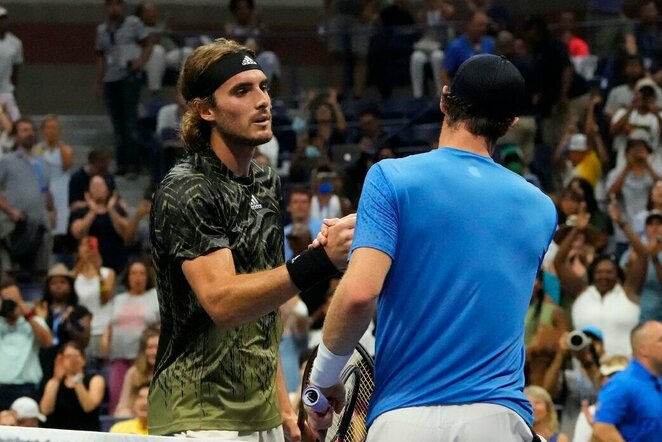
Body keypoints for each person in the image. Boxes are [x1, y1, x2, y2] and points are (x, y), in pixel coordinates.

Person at [307, 54, 557, 441]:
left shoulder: (391, 178)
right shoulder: (541, 208)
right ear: (510, 123)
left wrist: (323, 378)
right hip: (497, 420)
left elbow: (359, 295)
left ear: (444, 100)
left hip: (404, 420)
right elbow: (474, 245)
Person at [148, 38, 355, 440]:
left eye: (263, 86)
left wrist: (282, 407)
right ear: (205, 110)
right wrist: (319, 262)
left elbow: (265, 304)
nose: (262, 100)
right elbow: (223, 302)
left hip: (262, 416)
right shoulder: (187, 189)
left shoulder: (266, 183)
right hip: (200, 416)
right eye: (242, 91)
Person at [94, 0, 154, 177]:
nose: (115, 8)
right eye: (112, 5)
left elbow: (148, 44)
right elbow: (100, 57)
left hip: (128, 77)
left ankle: (133, 165)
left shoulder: (133, 24)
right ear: (107, 7)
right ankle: (121, 163)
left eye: (118, 5)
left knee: (130, 122)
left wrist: (140, 62)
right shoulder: (102, 30)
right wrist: (98, 81)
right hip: (110, 79)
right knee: (117, 123)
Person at [0, 118, 54, 282]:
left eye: (31, 130)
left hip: (40, 223)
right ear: (15, 136)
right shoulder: (6, 162)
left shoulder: (44, 163)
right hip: (13, 224)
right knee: (9, 274)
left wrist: (52, 211)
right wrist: (11, 210)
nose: (29, 133)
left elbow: (46, 191)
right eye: (24, 130)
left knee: (41, 273)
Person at [102, 259, 159, 414]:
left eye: (142, 273)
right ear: (128, 276)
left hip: (145, 360)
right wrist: (105, 343)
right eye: (134, 273)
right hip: (119, 357)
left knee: (144, 401)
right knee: (118, 403)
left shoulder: (155, 296)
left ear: (148, 276)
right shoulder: (118, 299)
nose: (138, 277)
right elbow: (110, 325)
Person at [592, 321, 662, 441]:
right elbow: (602, 428)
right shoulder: (621, 384)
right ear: (643, 349)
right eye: (660, 340)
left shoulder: (657, 381)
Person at [0, 284, 52, 411]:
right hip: (1, 386)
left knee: (27, 428)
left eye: (12, 298)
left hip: (26, 387)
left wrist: (26, 313)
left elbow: (48, 342)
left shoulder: (33, 321)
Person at [39, 263, 92, 385]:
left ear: (70, 286)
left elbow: (85, 340)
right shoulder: (41, 308)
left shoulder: (80, 311)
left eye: (62, 282)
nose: (58, 286)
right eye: (54, 283)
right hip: (45, 363)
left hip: (72, 364)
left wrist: (69, 323)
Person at [40, 341, 105, 431]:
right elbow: (45, 410)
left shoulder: (95, 380)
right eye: (68, 357)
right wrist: (56, 379)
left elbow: (89, 407)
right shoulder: (54, 382)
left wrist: (77, 379)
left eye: (76, 356)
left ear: (83, 359)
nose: (72, 360)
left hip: (87, 433)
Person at [37, 115, 74, 262]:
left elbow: (66, 165)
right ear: (42, 130)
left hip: (61, 187)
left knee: (62, 222)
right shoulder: (37, 149)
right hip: (44, 187)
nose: (52, 131)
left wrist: (57, 145)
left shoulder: (66, 150)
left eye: (55, 128)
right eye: (48, 128)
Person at [113, 325, 158, 417]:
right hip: (136, 419)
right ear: (143, 351)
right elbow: (123, 405)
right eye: (150, 348)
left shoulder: (172, 373)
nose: (154, 352)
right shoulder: (133, 373)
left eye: (157, 347)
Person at [0, 6, 23, 122]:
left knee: (16, 124)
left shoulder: (16, 43)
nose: (2, 23)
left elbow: (15, 71)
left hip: (6, 92)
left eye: (4, 19)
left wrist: (13, 92)